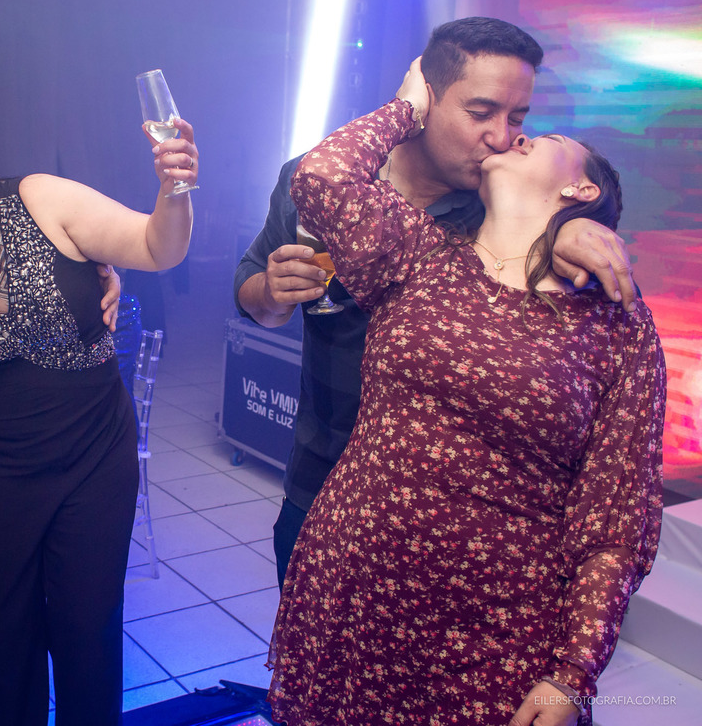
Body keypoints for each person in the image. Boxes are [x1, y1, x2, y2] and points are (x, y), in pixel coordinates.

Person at [267, 59, 666, 726]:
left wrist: (573, 673)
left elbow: (617, 519)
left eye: (543, 137)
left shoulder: (613, 323)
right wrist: (406, 110)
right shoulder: (419, 255)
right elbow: (320, 178)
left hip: (494, 634)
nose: (516, 135)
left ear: (581, 190)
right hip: (350, 591)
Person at [232, 17, 641, 588]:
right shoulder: (320, 181)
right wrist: (271, 294)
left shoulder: (495, 207)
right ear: (425, 101)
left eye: (517, 118)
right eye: (481, 113)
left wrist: (567, 228)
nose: (502, 137)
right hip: (323, 471)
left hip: (448, 513)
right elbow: (250, 287)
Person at [0, 95, 196, 726]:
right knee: (0, 642)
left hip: (92, 462)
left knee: (86, 631)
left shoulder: (42, 199)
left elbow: (159, 248)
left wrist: (174, 188)